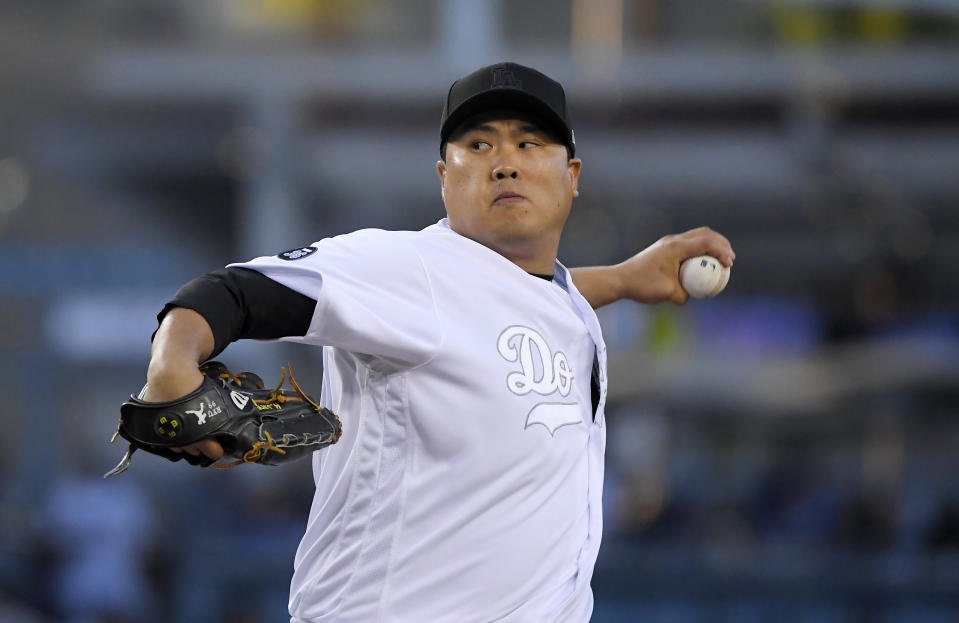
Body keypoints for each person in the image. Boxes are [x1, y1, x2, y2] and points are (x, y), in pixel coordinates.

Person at [143, 62, 734, 622]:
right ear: (444, 177)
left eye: (530, 143)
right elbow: (238, 292)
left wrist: (626, 279)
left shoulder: (557, 300)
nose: (505, 162)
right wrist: (173, 359)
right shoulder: (407, 267)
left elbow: (512, 304)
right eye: (478, 145)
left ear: (571, 176)